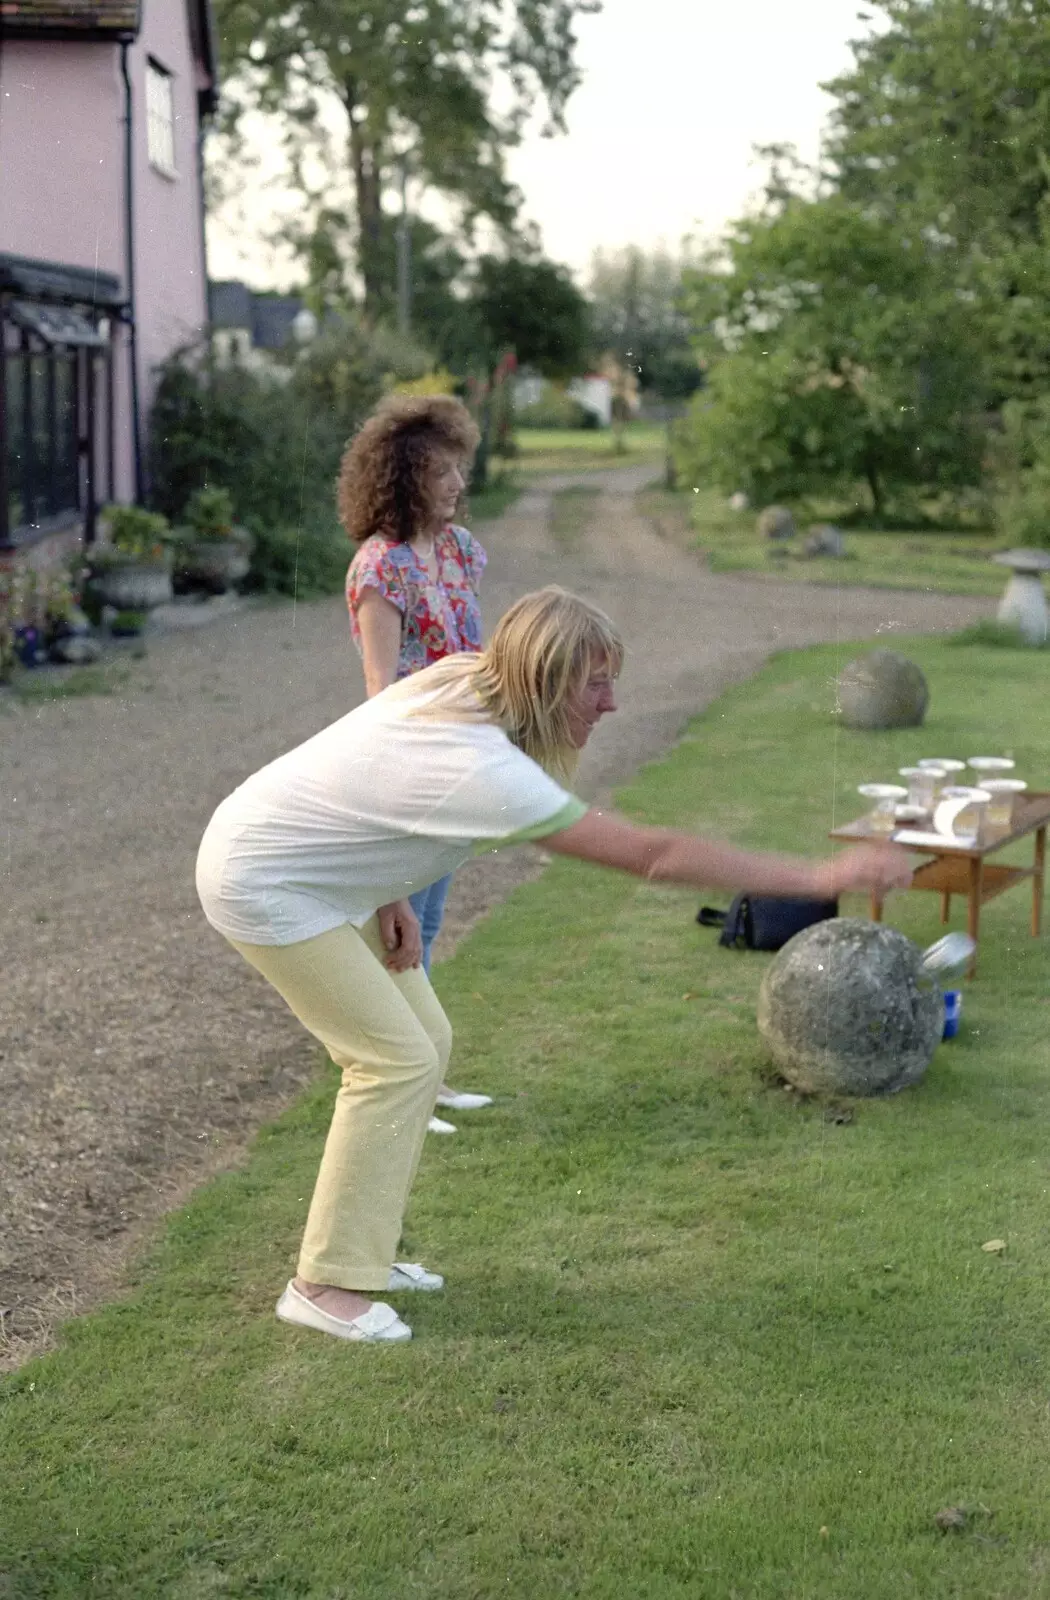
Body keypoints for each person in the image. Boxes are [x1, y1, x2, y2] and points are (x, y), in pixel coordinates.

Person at [196, 587, 911, 1345]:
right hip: (263, 881)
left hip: (318, 874)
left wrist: (389, 895)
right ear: (542, 680)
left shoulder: (474, 684)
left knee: (426, 1043)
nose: (610, 703)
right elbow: (653, 856)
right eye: (593, 682)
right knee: (392, 1060)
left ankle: (358, 1252)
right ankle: (324, 1285)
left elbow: (374, 792)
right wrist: (822, 878)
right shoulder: (481, 764)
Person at [340, 392, 490, 1133]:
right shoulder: (381, 567)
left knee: (429, 924)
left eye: (457, 467)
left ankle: (428, 1074)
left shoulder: (460, 548)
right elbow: (380, 685)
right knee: (400, 926)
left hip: (462, 752)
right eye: (439, 473)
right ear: (403, 479)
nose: (456, 484)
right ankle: (404, 1076)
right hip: (411, 761)